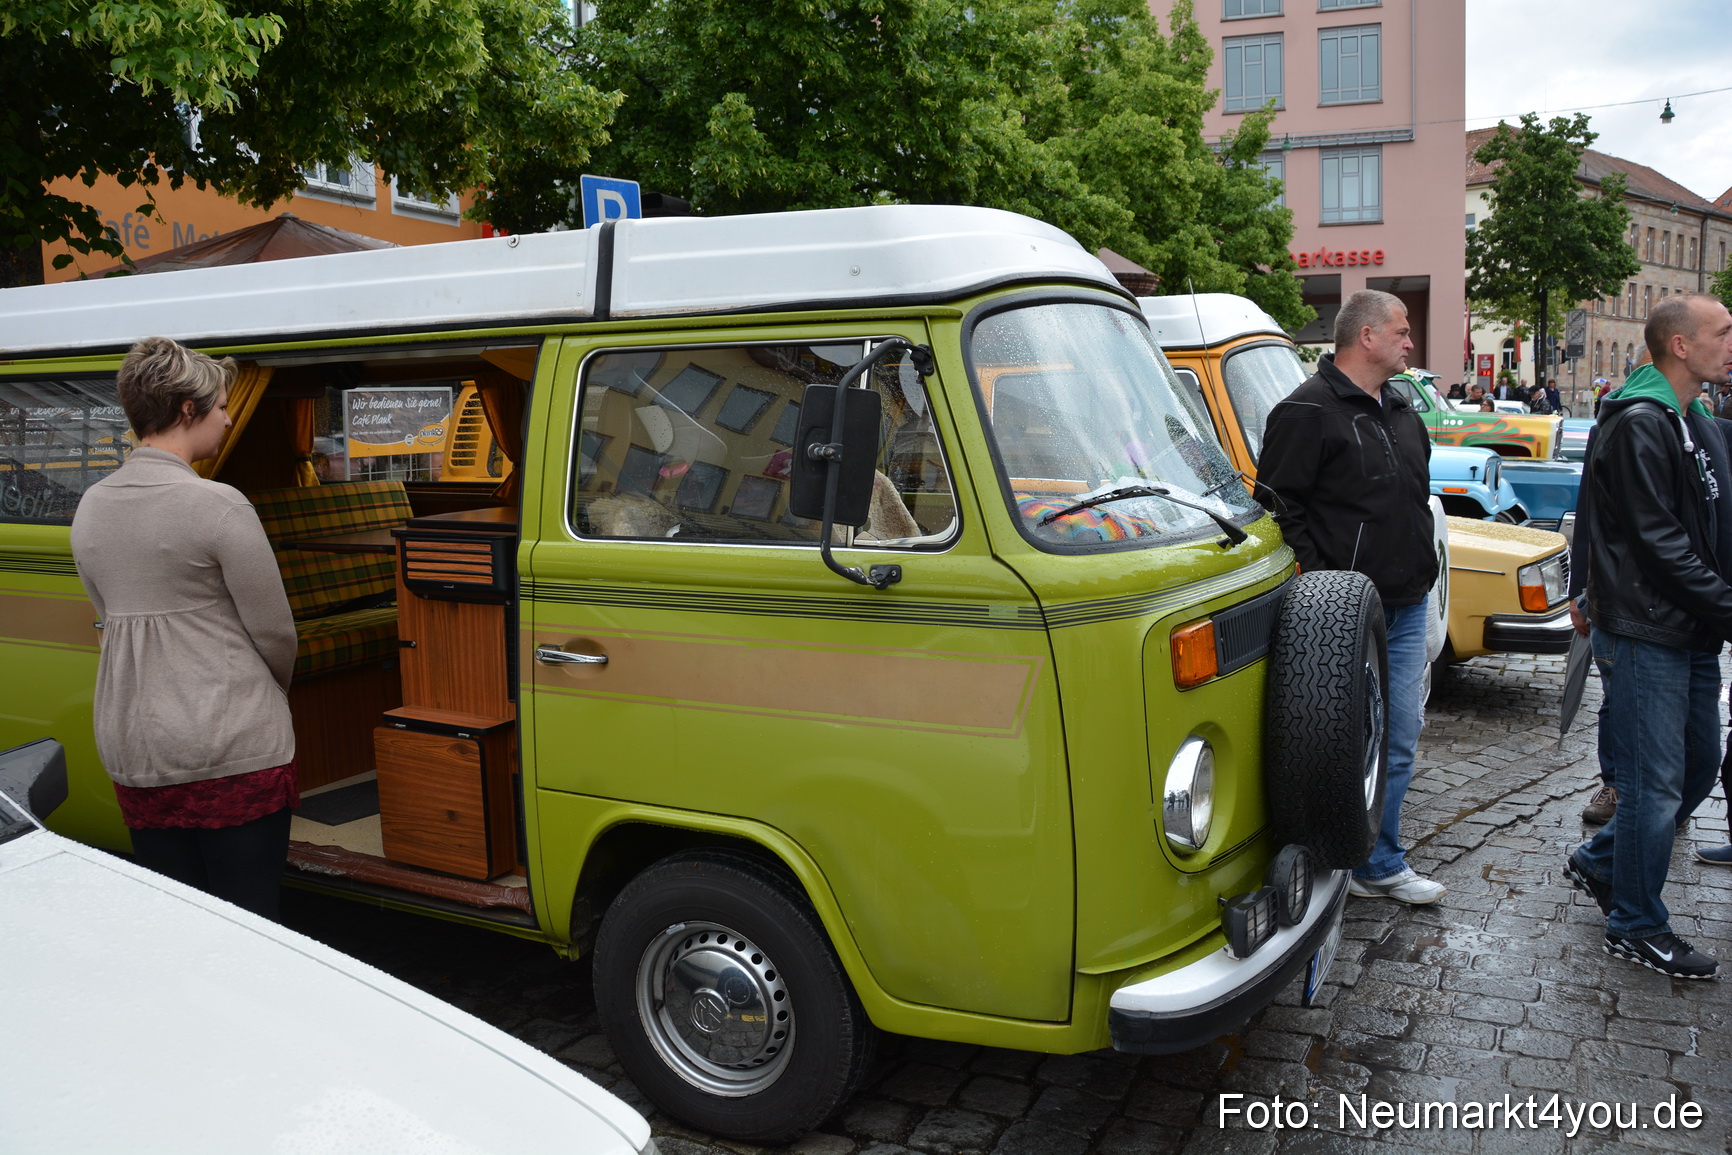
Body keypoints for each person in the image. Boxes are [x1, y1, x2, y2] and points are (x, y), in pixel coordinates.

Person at [70, 337, 299, 921]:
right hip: (230, 742)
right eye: (221, 406)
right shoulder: (218, 505)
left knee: (180, 920)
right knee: (250, 918)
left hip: (137, 745)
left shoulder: (92, 505)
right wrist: (270, 696)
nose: (227, 418)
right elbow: (275, 633)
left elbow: (107, 616)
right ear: (188, 410)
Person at [1563, 293, 1732, 979]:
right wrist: (1726, 605)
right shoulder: (1639, 422)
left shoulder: (1699, 418)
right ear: (1681, 346)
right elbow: (1657, 541)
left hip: (1689, 630)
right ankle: (1635, 922)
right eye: (1722, 331)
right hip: (1645, 632)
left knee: (1696, 766)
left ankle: (1602, 862)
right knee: (1654, 785)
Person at [1257, 289, 1444, 904]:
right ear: (1366, 336)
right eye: (1401, 331)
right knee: (1341, 738)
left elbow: (1411, 502)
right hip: (1343, 612)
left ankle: (1378, 859)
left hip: (1408, 602)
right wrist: (1323, 582)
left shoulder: (1401, 409)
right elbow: (1281, 509)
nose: (1409, 342)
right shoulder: (1306, 412)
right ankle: (1336, 851)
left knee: (1400, 731)